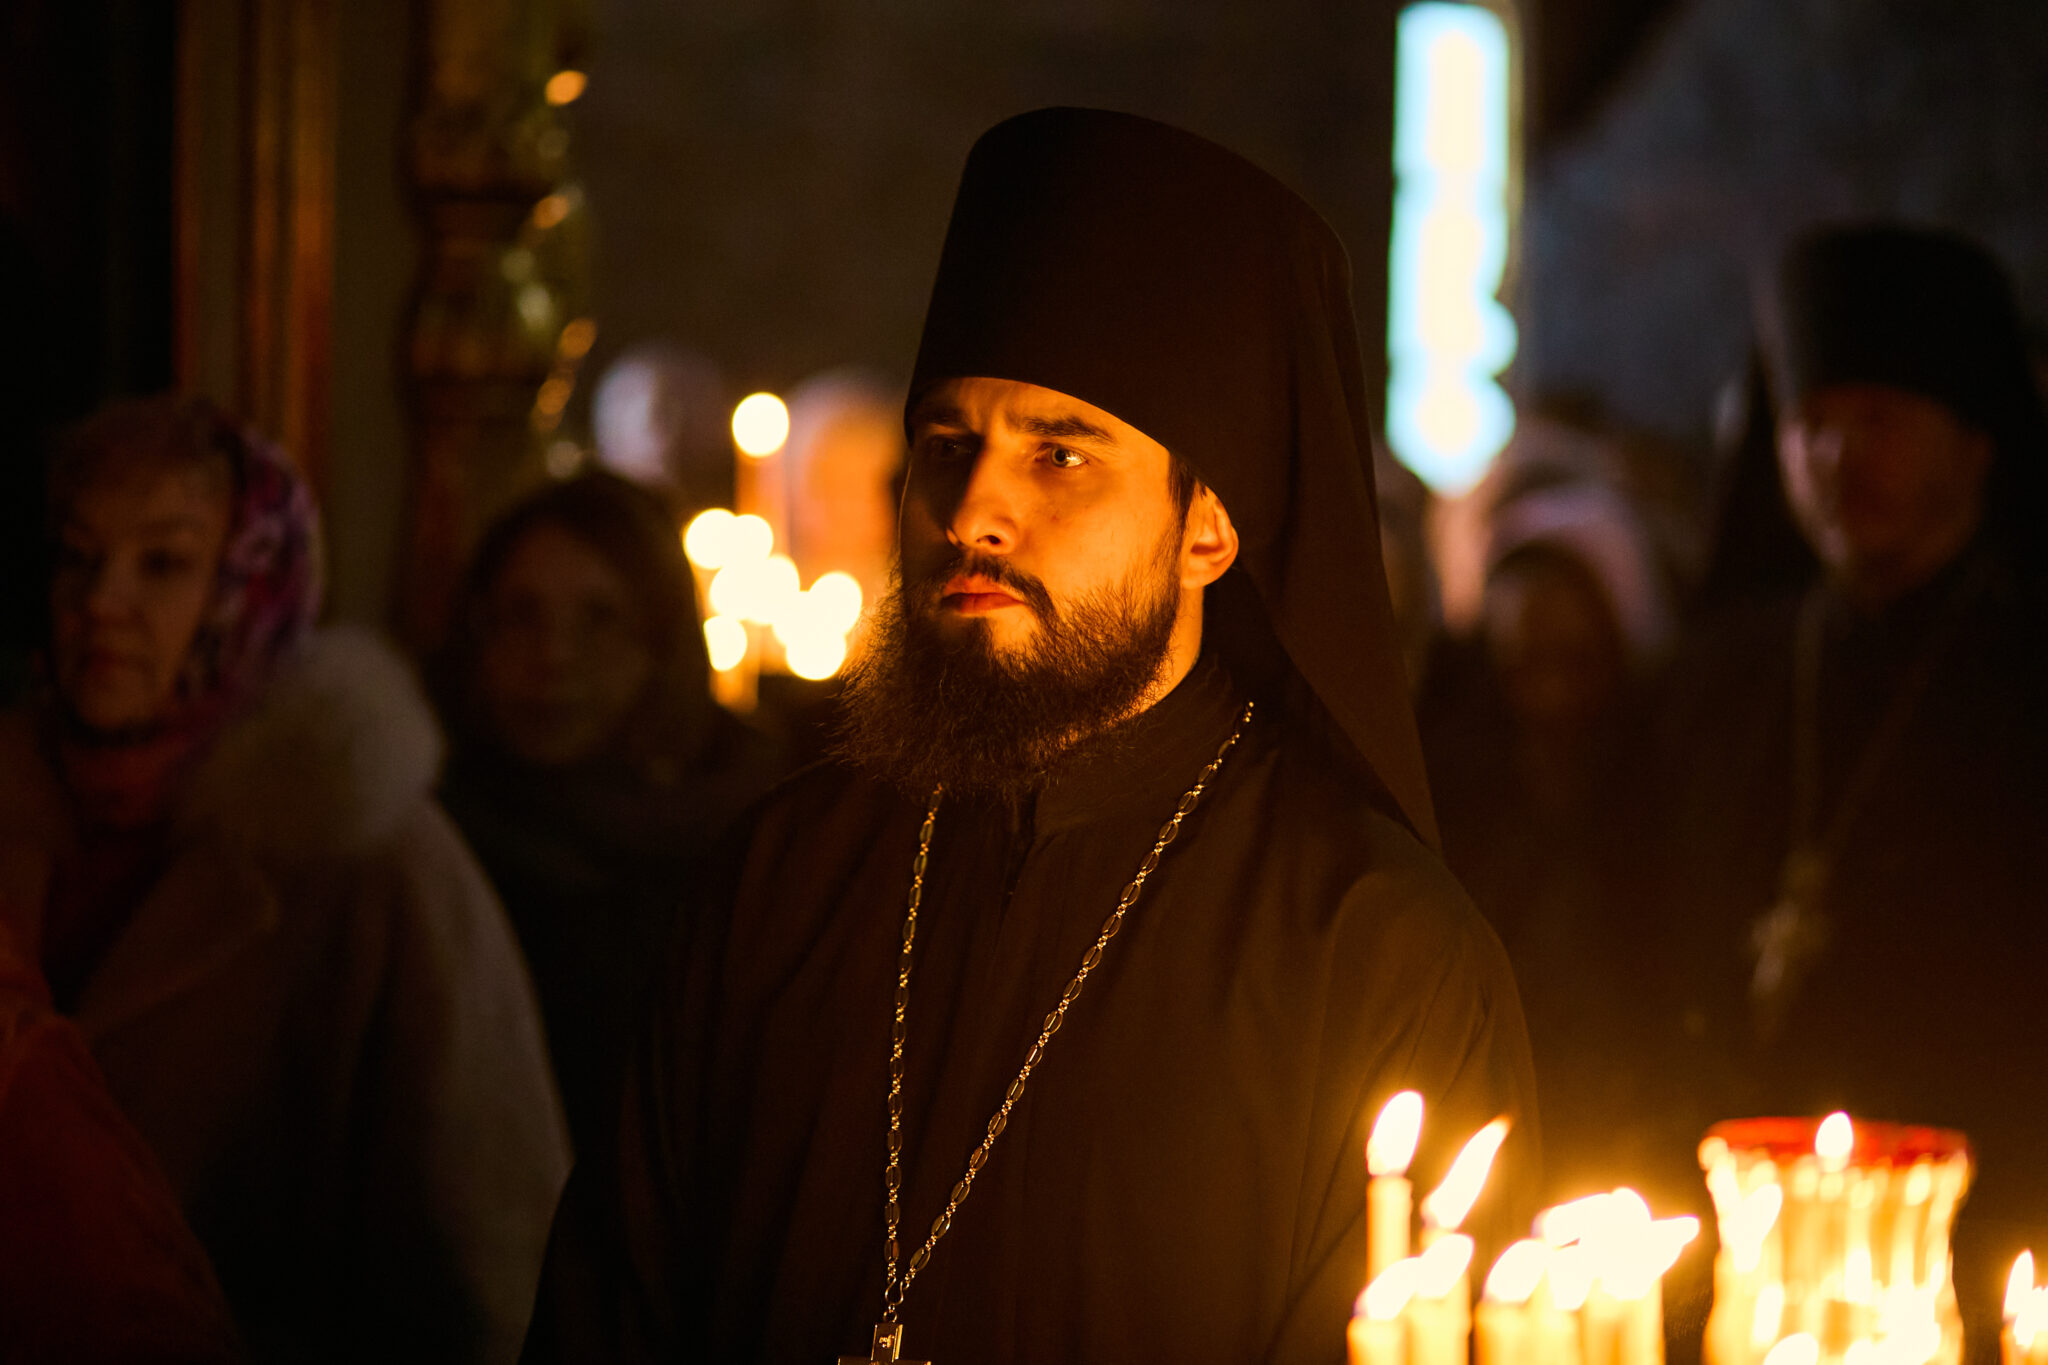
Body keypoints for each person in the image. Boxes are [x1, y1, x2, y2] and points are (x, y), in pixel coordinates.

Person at [522, 108, 1536, 1365]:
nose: (972, 509)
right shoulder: (776, 881)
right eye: (946, 445)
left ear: (1207, 527)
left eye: (1059, 454)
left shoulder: (1378, 956)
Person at [0, 395, 570, 1362]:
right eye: (79, 558)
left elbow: (493, 1258)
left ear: (251, 585)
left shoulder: (371, 859)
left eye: (163, 563)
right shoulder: (24, 808)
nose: (101, 600)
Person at [1653, 224, 2048, 1340]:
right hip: (1732, 1238)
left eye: (1879, 420)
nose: (1836, 457)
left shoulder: (2027, 670)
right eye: (1811, 422)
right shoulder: (1720, 675)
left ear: (1973, 442)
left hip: (1985, 1226)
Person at [435, 471, 783, 1159]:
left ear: (660, 643)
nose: (554, 657)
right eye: (522, 616)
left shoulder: (752, 849)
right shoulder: (438, 844)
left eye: (598, 620)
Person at [1421, 479, 1673, 1206]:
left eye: (1574, 660)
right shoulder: (1455, 775)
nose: (1551, 691)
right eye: (1528, 664)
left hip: (1633, 1102)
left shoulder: (1663, 779)